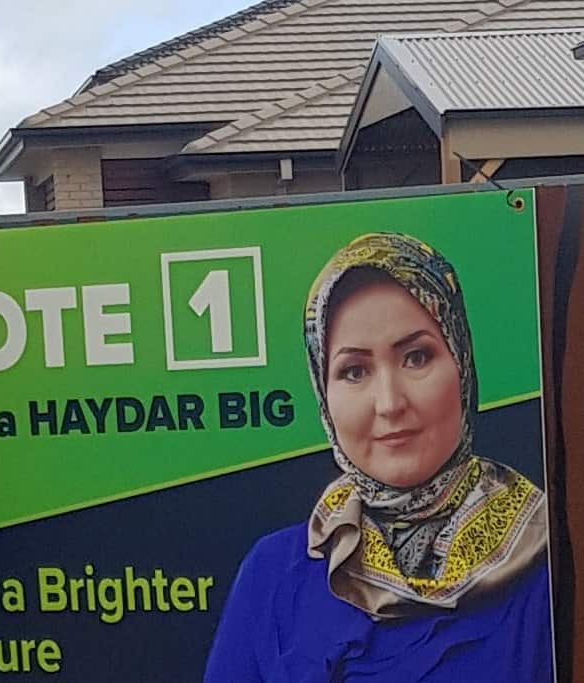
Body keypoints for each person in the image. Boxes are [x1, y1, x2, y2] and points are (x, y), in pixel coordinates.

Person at [203, 233, 552, 682]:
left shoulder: (548, 555)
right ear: (323, 393)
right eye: (354, 371)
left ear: (462, 364)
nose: (389, 403)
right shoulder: (273, 575)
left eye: (416, 357)